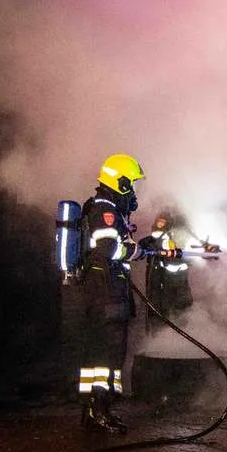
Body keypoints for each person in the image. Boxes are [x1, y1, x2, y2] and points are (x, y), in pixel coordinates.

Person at [78, 153, 175, 434]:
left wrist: (145, 244)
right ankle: (100, 411)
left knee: (98, 355)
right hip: (107, 293)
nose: (133, 191)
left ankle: (93, 410)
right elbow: (112, 250)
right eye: (130, 184)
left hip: (104, 291)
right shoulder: (105, 210)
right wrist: (141, 251)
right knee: (109, 354)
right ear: (118, 182)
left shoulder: (107, 209)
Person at [142, 212, 193, 319]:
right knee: (159, 304)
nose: (161, 224)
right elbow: (144, 244)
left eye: (163, 222)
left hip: (176, 281)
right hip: (161, 281)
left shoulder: (174, 238)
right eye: (159, 222)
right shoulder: (154, 239)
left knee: (178, 306)